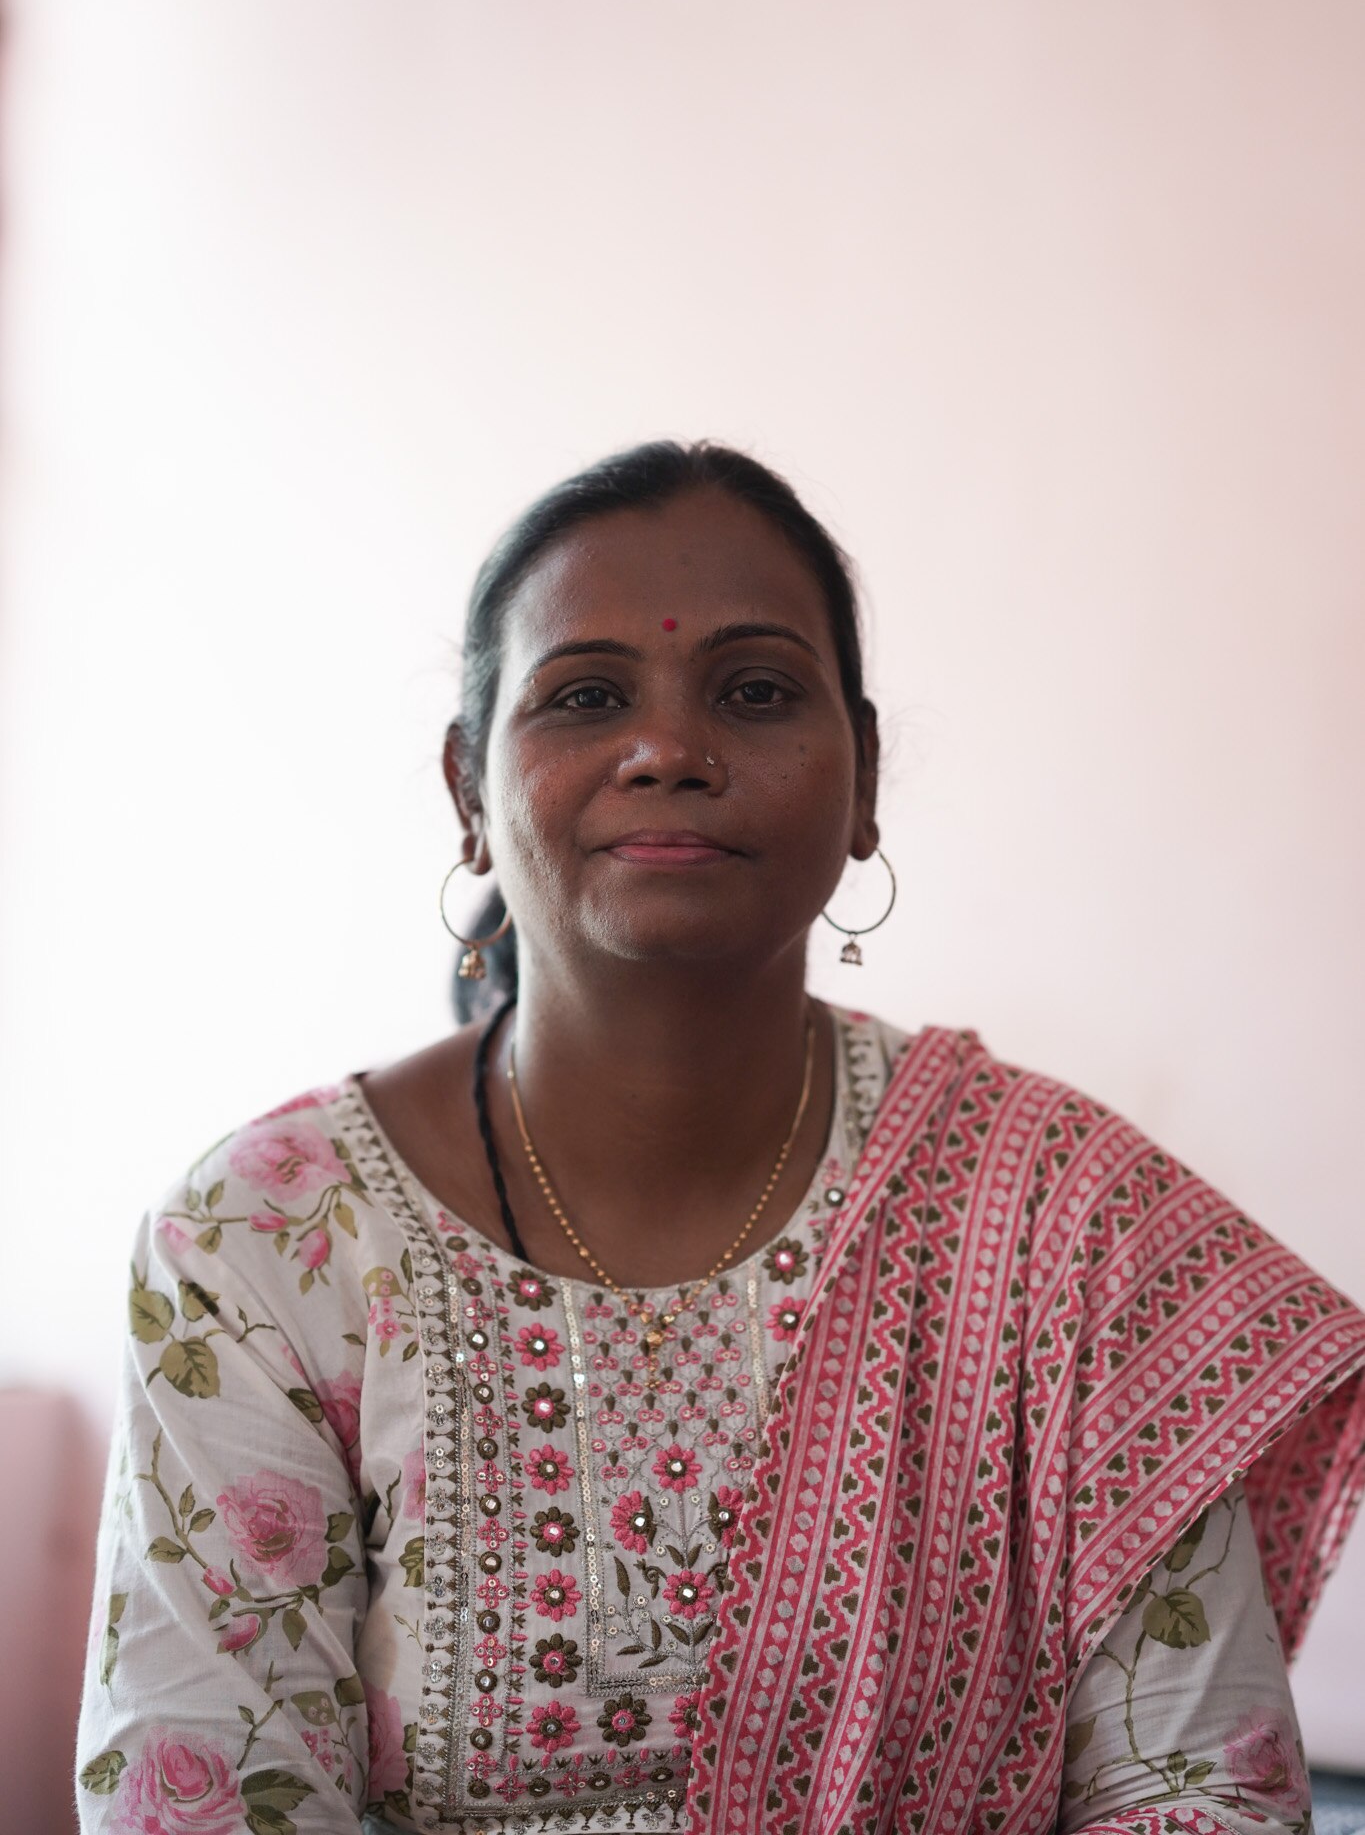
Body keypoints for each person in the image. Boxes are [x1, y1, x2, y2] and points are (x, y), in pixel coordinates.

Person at [76, 441, 1365, 1835]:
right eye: (586, 697)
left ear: (862, 777)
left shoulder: (1068, 1225)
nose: (670, 751)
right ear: (467, 791)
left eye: (754, 694)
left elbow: (1195, 1799)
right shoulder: (266, 1240)